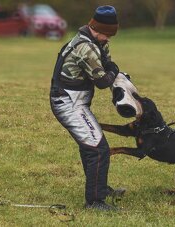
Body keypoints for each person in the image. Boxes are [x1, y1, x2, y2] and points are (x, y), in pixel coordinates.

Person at [50, 5, 124, 211]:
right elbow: (103, 80)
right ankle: (94, 201)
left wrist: (111, 69)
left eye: (111, 34)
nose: (108, 39)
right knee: (98, 150)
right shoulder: (85, 47)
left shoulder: (97, 42)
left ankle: (100, 189)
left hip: (76, 101)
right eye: (106, 34)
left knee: (92, 146)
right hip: (68, 103)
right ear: (95, 27)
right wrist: (113, 70)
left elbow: (107, 65)